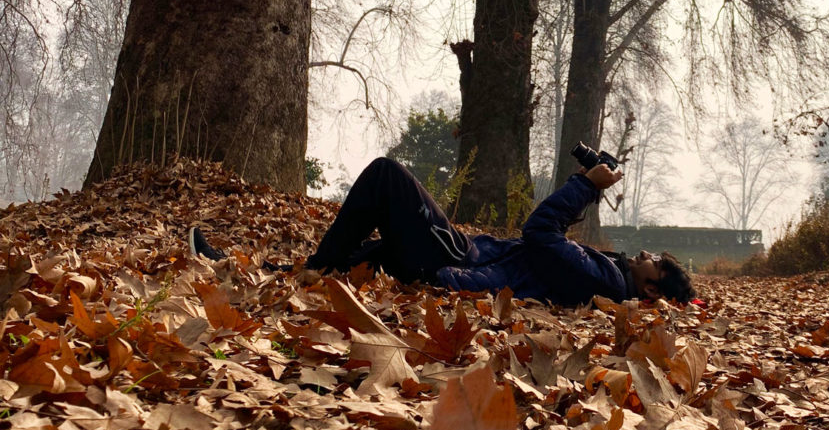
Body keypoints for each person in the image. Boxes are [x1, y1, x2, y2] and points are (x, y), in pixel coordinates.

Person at [189, 156, 696, 306]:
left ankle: (312, 268)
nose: (643, 253)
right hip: (464, 259)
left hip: (456, 266)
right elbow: (543, 247)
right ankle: (243, 269)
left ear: (652, 285)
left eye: (653, 260)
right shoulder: (605, 276)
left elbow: (540, 232)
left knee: (388, 175)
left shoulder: (606, 281)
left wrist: (585, 187)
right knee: (362, 258)